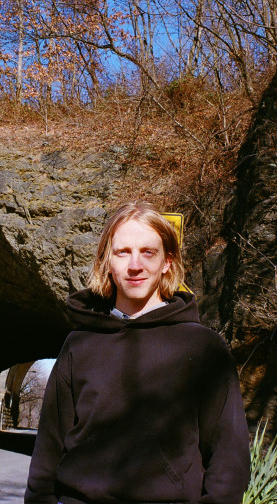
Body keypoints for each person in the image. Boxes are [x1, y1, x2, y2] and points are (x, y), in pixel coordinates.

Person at [25, 202, 250, 504]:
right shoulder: (79, 344)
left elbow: (229, 458)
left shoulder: (204, 348)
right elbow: (48, 448)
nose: (135, 265)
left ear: (167, 262)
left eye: (148, 252)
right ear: (107, 261)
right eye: (122, 252)